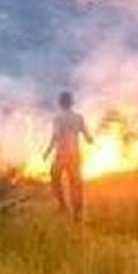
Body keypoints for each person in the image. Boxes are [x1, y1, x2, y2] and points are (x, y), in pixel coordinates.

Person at [44, 91, 92, 223]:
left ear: (60, 103)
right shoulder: (79, 117)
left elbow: (56, 136)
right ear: (71, 103)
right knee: (76, 184)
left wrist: (47, 151)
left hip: (61, 155)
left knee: (55, 178)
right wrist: (90, 140)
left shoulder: (58, 118)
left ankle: (63, 205)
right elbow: (88, 136)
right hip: (75, 155)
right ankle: (78, 213)